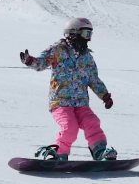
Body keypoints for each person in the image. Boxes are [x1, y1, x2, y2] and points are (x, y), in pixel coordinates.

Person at [20, 17, 117, 161]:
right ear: (73, 32)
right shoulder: (58, 50)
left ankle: (99, 151)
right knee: (70, 127)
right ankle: (59, 153)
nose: (88, 39)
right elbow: (42, 62)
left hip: (81, 102)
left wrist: (104, 95)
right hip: (61, 101)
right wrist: (31, 61)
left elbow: (93, 78)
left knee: (93, 123)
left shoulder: (87, 57)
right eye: (85, 34)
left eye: (90, 35)